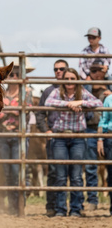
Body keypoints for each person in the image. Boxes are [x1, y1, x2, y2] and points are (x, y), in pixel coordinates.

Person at [45, 68, 102, 217]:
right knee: (61, 175)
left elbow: (99, 103)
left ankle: (76, 208)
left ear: (77, 80)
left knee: (76, 175)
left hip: (77, 137)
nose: (70, 82)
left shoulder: (82, 93)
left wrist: (80, 102)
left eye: (72, 79)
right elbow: (48, 101)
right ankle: (61, 209)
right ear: (63, 80)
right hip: (60, 137)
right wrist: (67, 104)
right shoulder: (58, 92)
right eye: (67, 79)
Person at [0, 59, 34, 215]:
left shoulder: (27, 92)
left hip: (18, 135)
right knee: (8, 171)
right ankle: (12, 206)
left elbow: (25, 110)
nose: (14, 76)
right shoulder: (1, 91)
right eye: (11, 73)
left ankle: (19, 205)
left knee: (17, 171)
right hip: (3, 135)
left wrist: (6, 112)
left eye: (17, 73)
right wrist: (12, 112)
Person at [36, 59, 69, 217]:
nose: (58, 71)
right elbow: (40, 114)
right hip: (54, 137)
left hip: (71, 134)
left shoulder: (74, 89)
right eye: (56, 69)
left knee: (72, 172)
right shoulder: (48, 91)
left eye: (61, 69)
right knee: (54, 172)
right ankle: (51, 205)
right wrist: (46, 130)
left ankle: (72, 206)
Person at [83, 60, 112, 211]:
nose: (96, 73)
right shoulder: (86, 88)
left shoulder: (109, 86)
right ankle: (92, 200)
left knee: (109, 166)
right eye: (92, 71)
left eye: (99, 70)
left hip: (107, 130)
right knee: (90, 166)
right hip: (90, 128)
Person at [97, 93, 112, 216]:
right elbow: (103, 120)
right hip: (110, 137)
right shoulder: (109, 99)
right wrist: (100, 139)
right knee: (111, 173)